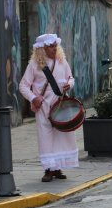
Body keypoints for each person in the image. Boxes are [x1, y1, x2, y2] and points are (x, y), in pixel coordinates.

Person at [19, 34, 77, 182]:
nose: (54, 48)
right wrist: (34, 98)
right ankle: (48, 170)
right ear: (42, 49)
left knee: (61, 136)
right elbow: (23, 86)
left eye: (55, 45)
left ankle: (57, 168)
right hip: (44, 106)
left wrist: (69, 84)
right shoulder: (34, 65)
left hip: (60, 103)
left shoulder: (61, 62)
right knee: (46, 137)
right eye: (50, 46)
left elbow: (71, 78)